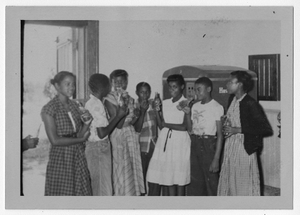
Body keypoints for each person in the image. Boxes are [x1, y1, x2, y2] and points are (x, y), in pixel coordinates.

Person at [217, 70, 273, 196]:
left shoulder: (250, 103)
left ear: (240, 84)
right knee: (230, 180)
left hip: (244, 148)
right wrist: (226, 120)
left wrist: (238, 130)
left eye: (231, 82)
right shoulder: (232, 99)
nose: (227, 84)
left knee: (242, 184)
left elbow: (265, 128)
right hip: (231, 146)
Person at [41, 71, 92, 196]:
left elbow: (79, 134)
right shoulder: (49, 108)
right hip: (61, 158)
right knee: (63, 194)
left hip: (77, 155)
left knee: (80, 193)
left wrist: (87, 123)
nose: (72, 87)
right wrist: (80, 140)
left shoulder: (75, 105)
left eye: (73, 84)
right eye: (67, 84)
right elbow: (55, 140)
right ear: (57, 86)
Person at [147, 74, 192, 196]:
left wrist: (166, 124)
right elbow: (161, 126)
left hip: (179, 143)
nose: (172, 90)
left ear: (182, 87)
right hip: (165, 142)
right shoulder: (165, 103)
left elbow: (184, 127)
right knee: (169, 177)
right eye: (170, 87)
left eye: (175, 87)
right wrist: (157, 111)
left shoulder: (186, 103)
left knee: (179, 178)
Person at [84, 73, 128, 196]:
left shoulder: (92, 102)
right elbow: (102, 132)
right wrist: (118, 116)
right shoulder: (97, 105)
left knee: (100, 187)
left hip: (95, 148)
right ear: (103, 87)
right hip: (98, 149)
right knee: (103, 190)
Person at [103, 69, 145, 196]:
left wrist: (137, 115)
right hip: (118, 135)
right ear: (112, 82)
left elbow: (134, 125)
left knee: (131, 170)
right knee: (120, 169)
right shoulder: (109, 98)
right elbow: (119, 124)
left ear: (126, 83)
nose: (119, 84)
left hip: (130, 136)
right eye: (116, 81)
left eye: (122, 81)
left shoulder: (130, 98)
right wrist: (124, 106)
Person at [186, 77, 224, 196]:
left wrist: (216, 159)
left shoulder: (217, 107)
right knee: (195, 181)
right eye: (195, 90)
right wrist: (187, 114)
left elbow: (220, 135)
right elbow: (190, 129)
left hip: (209, 145)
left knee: (211, 181)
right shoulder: (195, 106)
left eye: (199, 90)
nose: (196, 93)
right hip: (195, 143)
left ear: (208, 89)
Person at [133, 82, 159, 195]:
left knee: (155, 178)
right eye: (142, 92)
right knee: (141, 178)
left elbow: (159, 123)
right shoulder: (133, 106)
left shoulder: (153, 104)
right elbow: (137, 129)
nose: (145, 94)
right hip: (141, 147)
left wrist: (158, 108)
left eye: (147, 92)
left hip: (154, 145)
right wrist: (142, 111)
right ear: (137, 93)